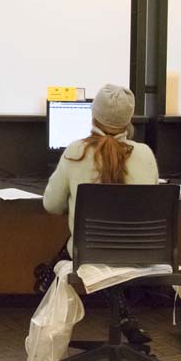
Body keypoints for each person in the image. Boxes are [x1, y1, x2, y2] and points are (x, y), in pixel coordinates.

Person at [42, 83, 158, 343]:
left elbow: (51, 205)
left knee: (79, 244)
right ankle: (126, 318)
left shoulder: (75, 152)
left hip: (90, 254)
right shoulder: (146, 155)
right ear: (129, 120)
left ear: (93, 116)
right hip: (141, 254)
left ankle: (46, 288)